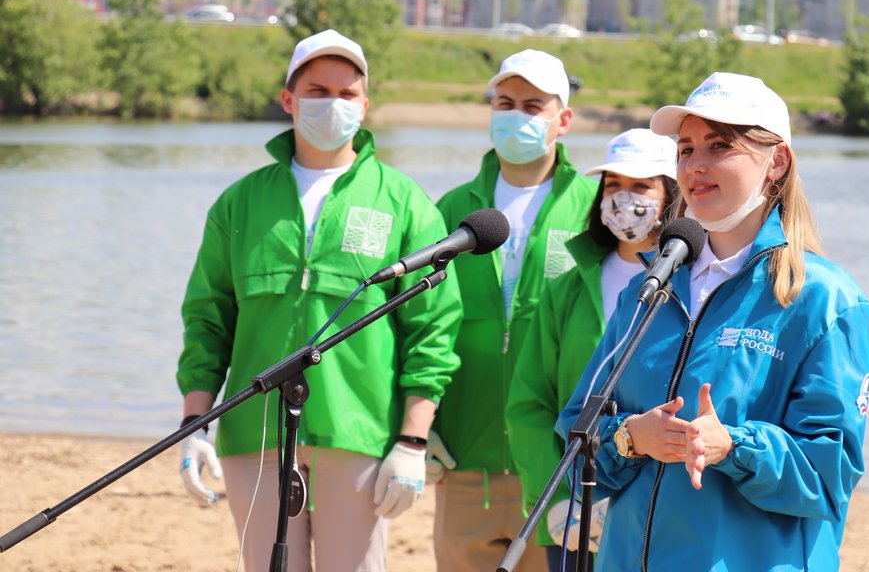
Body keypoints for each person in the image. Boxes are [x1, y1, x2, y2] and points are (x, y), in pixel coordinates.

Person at [557, 72, 869, 571]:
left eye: (719, 146)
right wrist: (630, 437)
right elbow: (576, 438)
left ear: (777, 162)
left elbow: (828, 479)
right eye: (685, 149)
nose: (695, 166)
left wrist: (733, 445)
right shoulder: (648, 289)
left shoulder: (826, 300)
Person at [175, 29, 462, 572]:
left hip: (359, 433)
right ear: (289, 99)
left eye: (347, 93)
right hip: (253, 431)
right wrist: (195, 425)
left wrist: (411, 440)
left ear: (365, 105)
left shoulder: (404, 202)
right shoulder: (240, 204)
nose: (333, 104)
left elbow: (433, 329)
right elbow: (207, 321)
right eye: (318, 90)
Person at [431, 48, 599, 572]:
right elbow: (419, 324)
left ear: (563, 121)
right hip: (464, 462)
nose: (516, 115)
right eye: (505, 103)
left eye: (533, 105)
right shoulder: (453, 208)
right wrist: (417, 426)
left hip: (557, 465)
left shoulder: (594, 207)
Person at [506, 128, 679, 571]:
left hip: (660, 512)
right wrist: (561, 499)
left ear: (671, 194)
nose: (624, 199)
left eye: (641, 186)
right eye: (613, 185)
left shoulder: (694, 286)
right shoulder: (565, 288)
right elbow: (530, 404)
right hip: (572, 514)